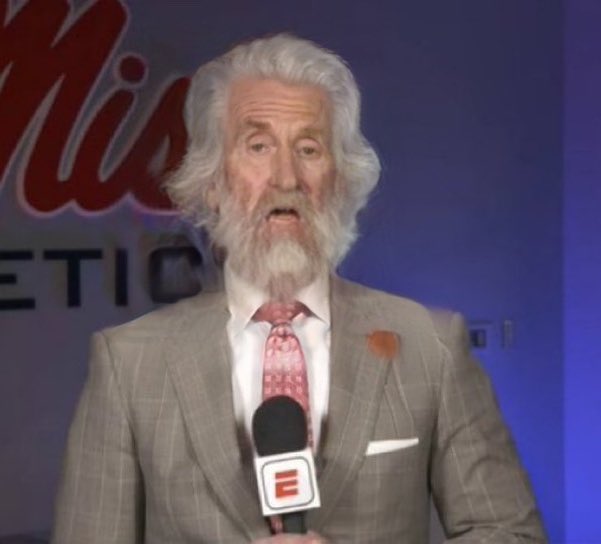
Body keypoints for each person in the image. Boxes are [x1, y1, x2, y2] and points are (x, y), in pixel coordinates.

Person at [51, 34, 546, 543]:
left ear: (341, 180)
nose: (286, 177)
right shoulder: (129, 364)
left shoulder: (430, 346)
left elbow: (510, 534)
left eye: (309, 149)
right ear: (213, 182)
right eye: (258, 146)